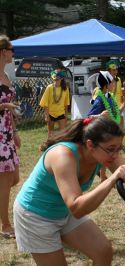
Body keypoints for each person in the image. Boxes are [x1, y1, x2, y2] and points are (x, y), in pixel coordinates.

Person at [13, 116, 125, 265]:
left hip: (63, 211)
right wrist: (112, 180)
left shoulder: (104, 154)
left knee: (103, 251)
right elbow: (77, 208)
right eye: (111, 149)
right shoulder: (62, 155)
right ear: (90, 144)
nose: (115, 155)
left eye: (119, 149)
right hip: (34, 215)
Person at [0, 35, 20, 239]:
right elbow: (6, 107)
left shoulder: (5, 75)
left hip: (6, 133)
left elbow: (9, 111)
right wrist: (4, 106)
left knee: (15, 178)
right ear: (4, 51)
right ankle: (5, 225)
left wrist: (15, 132)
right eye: (11, 49)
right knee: (5, 181)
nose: (13, 53)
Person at [88, 71, 122, 181]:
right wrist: (100, 115)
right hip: (102, 132)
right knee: (105, 155)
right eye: (112, 82)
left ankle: (102, 176)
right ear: (106, 85)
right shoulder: (99, 99)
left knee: (107, 156)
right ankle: (102, 176)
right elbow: (89, 116)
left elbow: (114, 113)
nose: (114, 84)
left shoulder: (109, 97)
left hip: (109, 130)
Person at [39, 69, 70, 137]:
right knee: (50, 134)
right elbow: (45, 103)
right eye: (55, 78)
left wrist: (66, 115)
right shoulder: (49, 88)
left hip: (61, 113)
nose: (56, 80)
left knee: (63, 134)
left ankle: (61, 146)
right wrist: (47, 116)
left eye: (58, 78)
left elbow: (66, 104)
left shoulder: (65, 89)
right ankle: (49, 146)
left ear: (61, 79)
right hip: (50, 114)